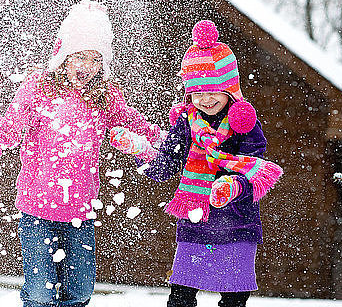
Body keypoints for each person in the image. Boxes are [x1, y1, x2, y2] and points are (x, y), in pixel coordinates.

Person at [0, 0, 162, 307]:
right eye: (80, 56)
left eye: (95, 59)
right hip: (37, 210)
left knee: (79, 292)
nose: (86, 66)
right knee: (41, 294)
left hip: (80, 211)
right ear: (64, 54)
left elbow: (136, 125)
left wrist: (169, 142)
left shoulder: (106, 97)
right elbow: (6, 131)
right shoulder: (38, 88)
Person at [110, 20, 282, 307]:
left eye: (214, 90)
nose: (206, 99)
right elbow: (166, 163)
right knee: (181, 295)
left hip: (237, 222)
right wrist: (139, 148)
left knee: (234, 296)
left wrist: (231, 187)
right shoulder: (186, 123)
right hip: (196, 217)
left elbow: (254, 168)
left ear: (230, 89)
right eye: (198, 92)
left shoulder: (245, 124)